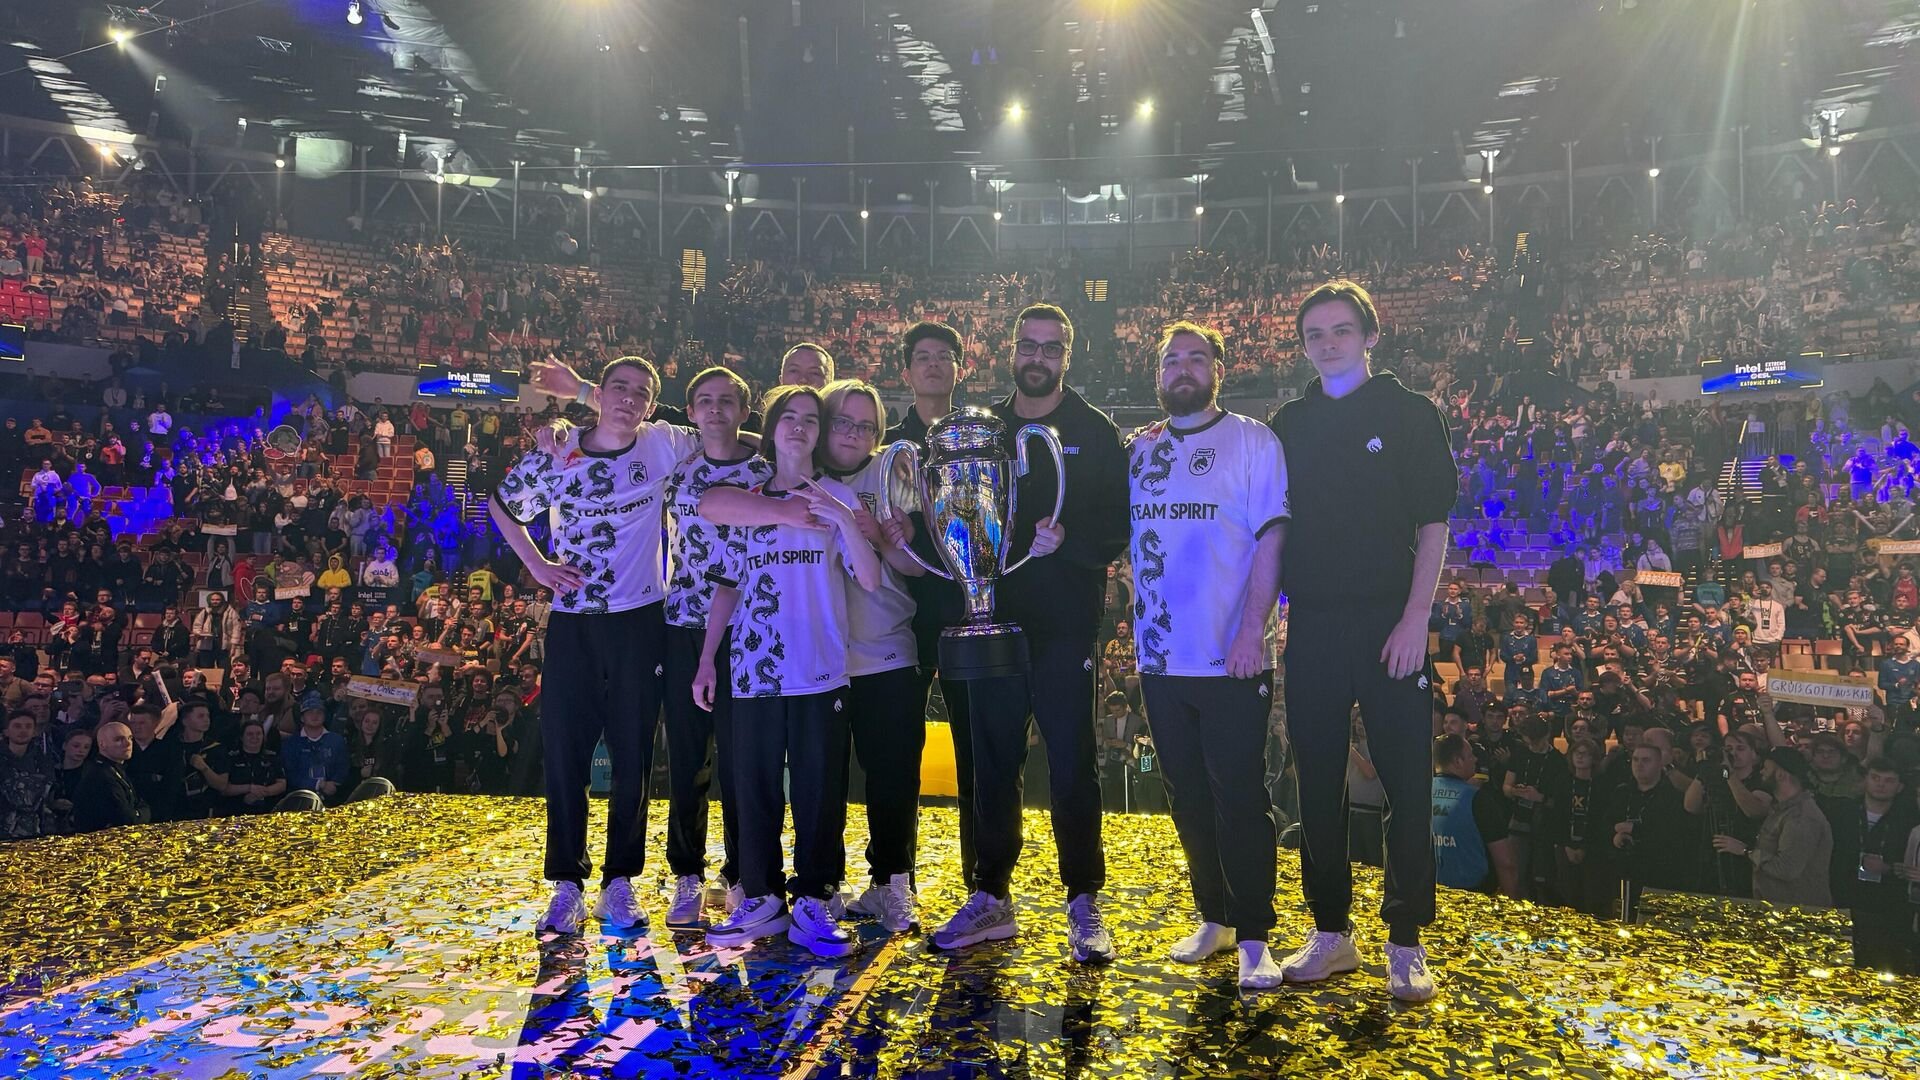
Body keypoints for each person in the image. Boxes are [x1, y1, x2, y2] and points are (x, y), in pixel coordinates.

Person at [1267, 281, 1455, 1002]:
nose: (1327, 343)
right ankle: (1330, 931)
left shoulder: (1410, 414)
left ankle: (1405, 940)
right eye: (1314, 333)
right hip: (1313, 622)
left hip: (1389, 622)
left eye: (1340, 330)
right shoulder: (1290, 422)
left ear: (1370, 335)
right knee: (1315, 783)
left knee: (1407, 782)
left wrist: (1415, 618)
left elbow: (1433, 525)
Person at [927, 303, 1124, 965]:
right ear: (1011, 351)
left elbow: (1117, 526)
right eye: (1028, 345)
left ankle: (1084, 899)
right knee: (991, 763)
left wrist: (1069, 540)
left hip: (1065, 624)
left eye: (1051, 347)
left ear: (1068, 355)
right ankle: (991, 894)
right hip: (992, 620)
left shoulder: (1094, 430)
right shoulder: (985, 427)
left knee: (1072, 762)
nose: (1038, 357)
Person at [491, 356, 699, 934]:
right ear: (600, 393)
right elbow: (502, 506)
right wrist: (537, 565)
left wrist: (582, 390)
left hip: (641, 620)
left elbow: (726, 430)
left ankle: (619, 882)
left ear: (652, 405)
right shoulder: (559, 451)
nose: (629, 398)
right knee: (566, 753)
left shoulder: (662, 444)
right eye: (619, 388)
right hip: (574, 621)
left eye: (641, 392)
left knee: (633, 756)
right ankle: (566, 884)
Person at [1122, 321, 1290, 988]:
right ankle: (1214, 917)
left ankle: (1255, 936)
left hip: (1234, 656)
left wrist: (1254, 630)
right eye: (1172, 360)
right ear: (1158, 374)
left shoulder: (1253, 440)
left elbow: (1273, 538)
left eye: (1196, 358)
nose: (1183, 369)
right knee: (1186, 795)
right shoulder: (1140, 451)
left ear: (1219, 368)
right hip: (1161, 658)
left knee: (1240, 796)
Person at [692, 385, 881, 957]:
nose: (798, 427)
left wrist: (844, 518)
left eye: (810, 419)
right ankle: (761, 897)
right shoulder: (747, 502)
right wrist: (706, 659)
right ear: (771, 428)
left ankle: (814, 901)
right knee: (752, 790)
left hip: (820, 669)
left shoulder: (838, 496)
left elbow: (870, 578)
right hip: (754, 671)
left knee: (819, 792)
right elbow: (728, 586)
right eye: (788, 417)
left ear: (819, 433)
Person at [1713, 747, 1833, 909]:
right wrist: (1725, 771)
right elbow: (1726, 777)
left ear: (1781, 774)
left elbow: (1786, 869)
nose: (1761, 772)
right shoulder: (1781, 809)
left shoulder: (1801, 817)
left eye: (1766, 768)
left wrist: (1745, 851)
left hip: (1797, 911)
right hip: (1777, 906)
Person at [1834, 759, 1917, 972]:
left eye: (1889, 781)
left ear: (1899, 787)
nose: (1881, 784)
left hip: (1889, 909)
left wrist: (1889, 868)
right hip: (1844, 899)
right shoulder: (1843, 812)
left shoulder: (1909, 820)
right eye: (1875, 778)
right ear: (1865, 780)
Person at [1431, 734, 1520, 896]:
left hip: (1430, 892)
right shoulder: (1477, 799)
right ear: (1458, 761)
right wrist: (1512, 900)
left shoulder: (1419, 794)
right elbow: (1505, 862)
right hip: (1472, 895)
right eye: (1470, 755)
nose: (1475, 760)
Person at [72, 721, 151, 832]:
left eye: (130, 738)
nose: (128, 744)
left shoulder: (115, 769)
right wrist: (142, 812)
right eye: (119, 740)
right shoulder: (100, 775)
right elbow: (126, 819)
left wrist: (139, 812)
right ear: (102, 745)